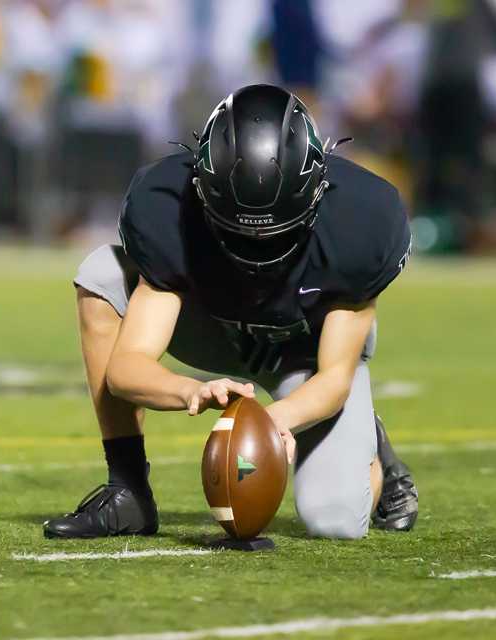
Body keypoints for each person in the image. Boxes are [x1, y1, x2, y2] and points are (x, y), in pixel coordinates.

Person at [43, 84, 418, 540]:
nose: (256, 251)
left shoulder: (363, 219)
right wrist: (190, 392)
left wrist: (269, 421)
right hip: (214, 328)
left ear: (319, 194)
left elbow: (334, 378)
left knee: (336, 520)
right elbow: (126, 369)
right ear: (202, 189)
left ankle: (375, 452)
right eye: (236, 233)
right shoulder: (167, 207)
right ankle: (128, 491)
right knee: (101, 271)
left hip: (306, 348)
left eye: (277, 234)